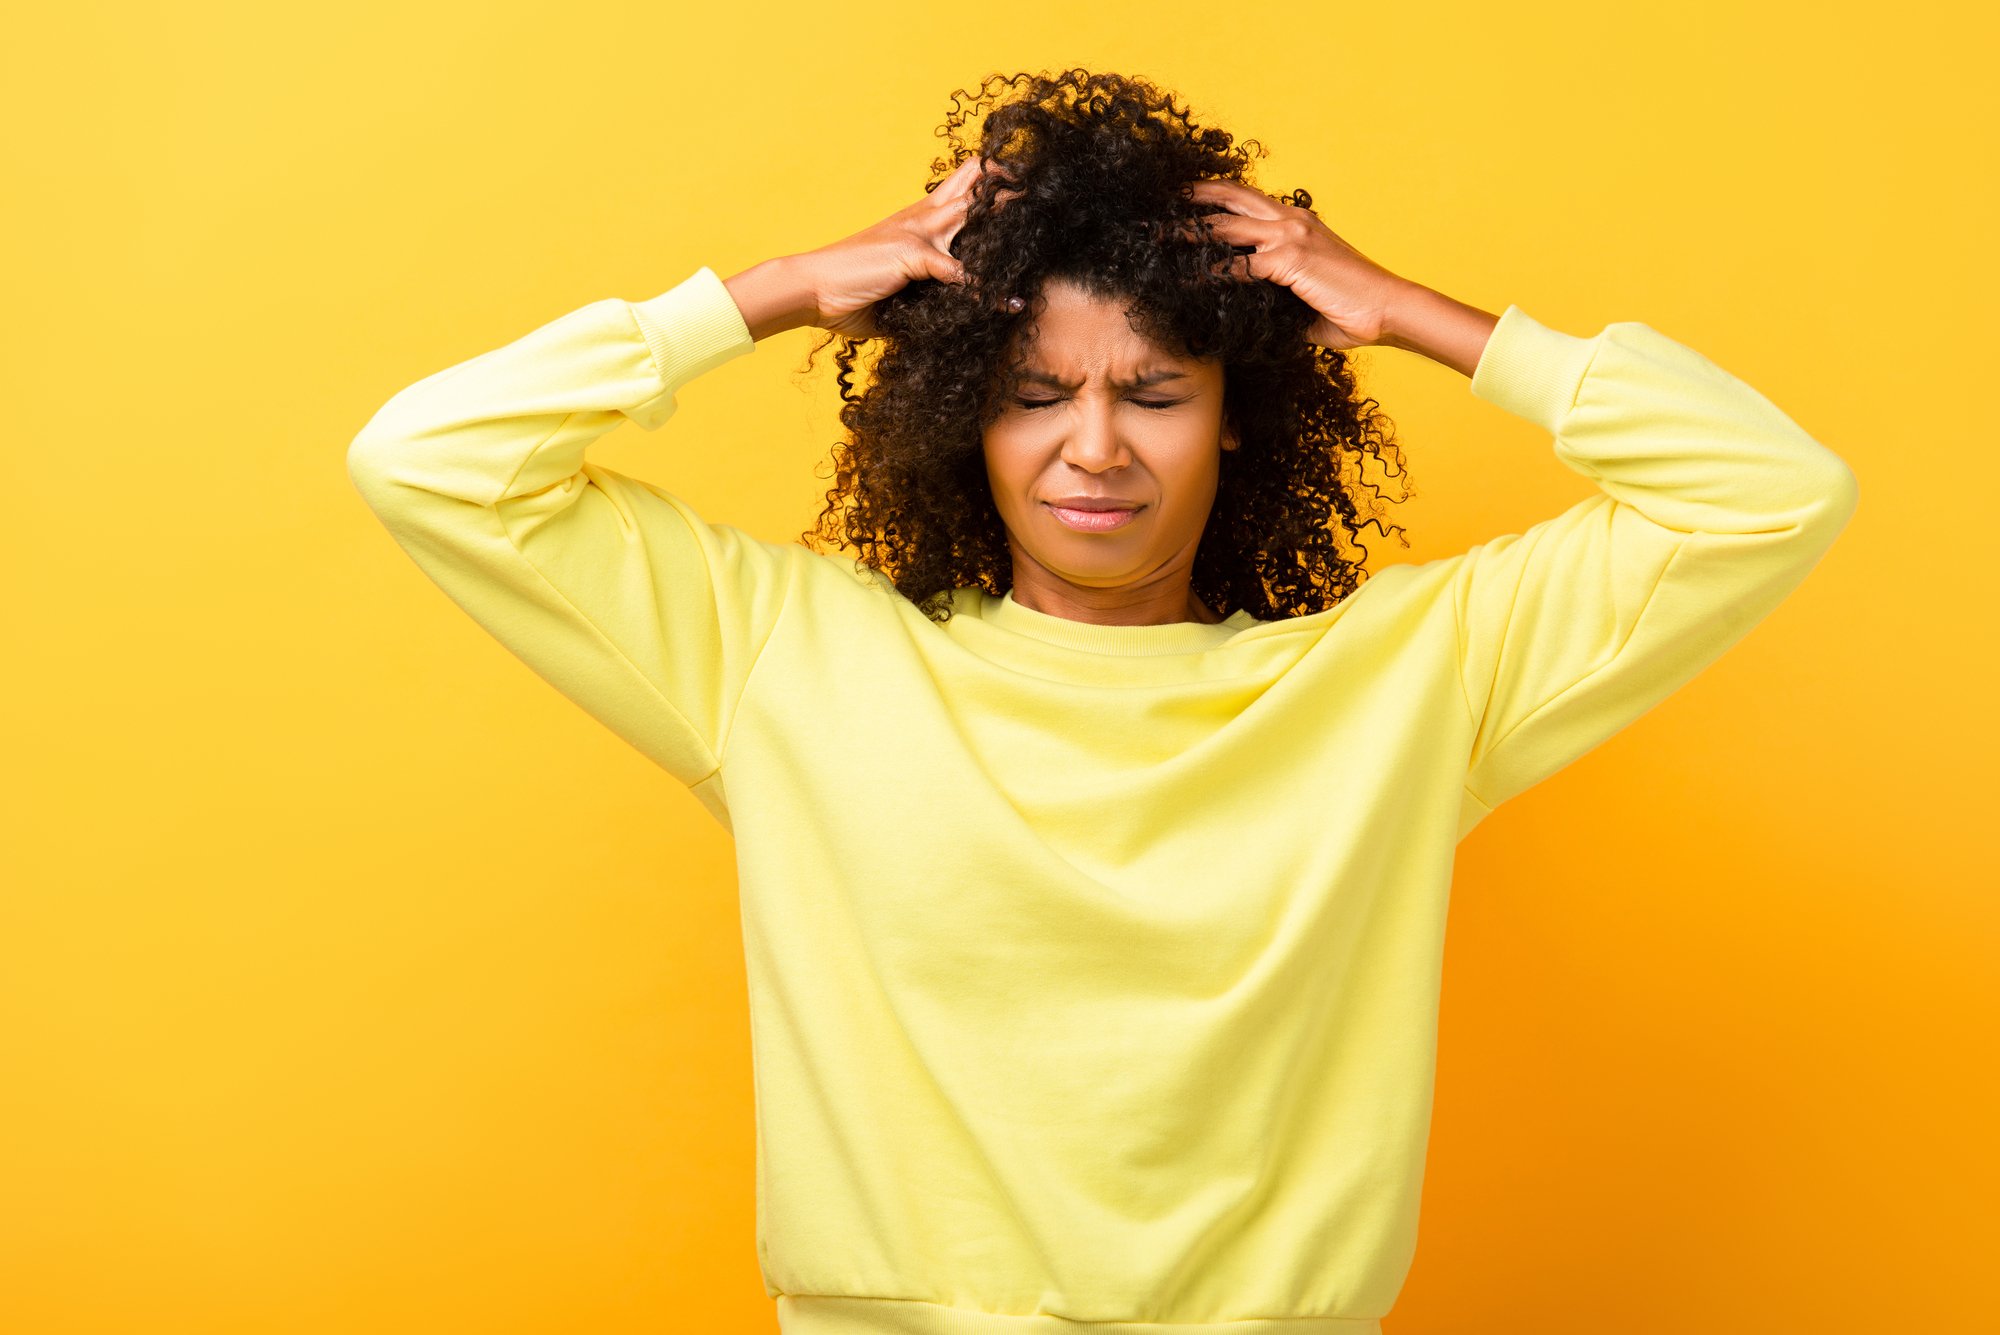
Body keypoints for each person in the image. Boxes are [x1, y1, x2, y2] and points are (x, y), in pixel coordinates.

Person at [347, 69, 1857, 1335]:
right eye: (1030, 393)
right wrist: (770, 294)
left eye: (1152, 393)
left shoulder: (1408, 679)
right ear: (956, 415)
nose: (1094, 450)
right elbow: (424, 460)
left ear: (1236, 419)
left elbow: (1772, 497)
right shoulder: (783, 658)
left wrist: (1418, 314)